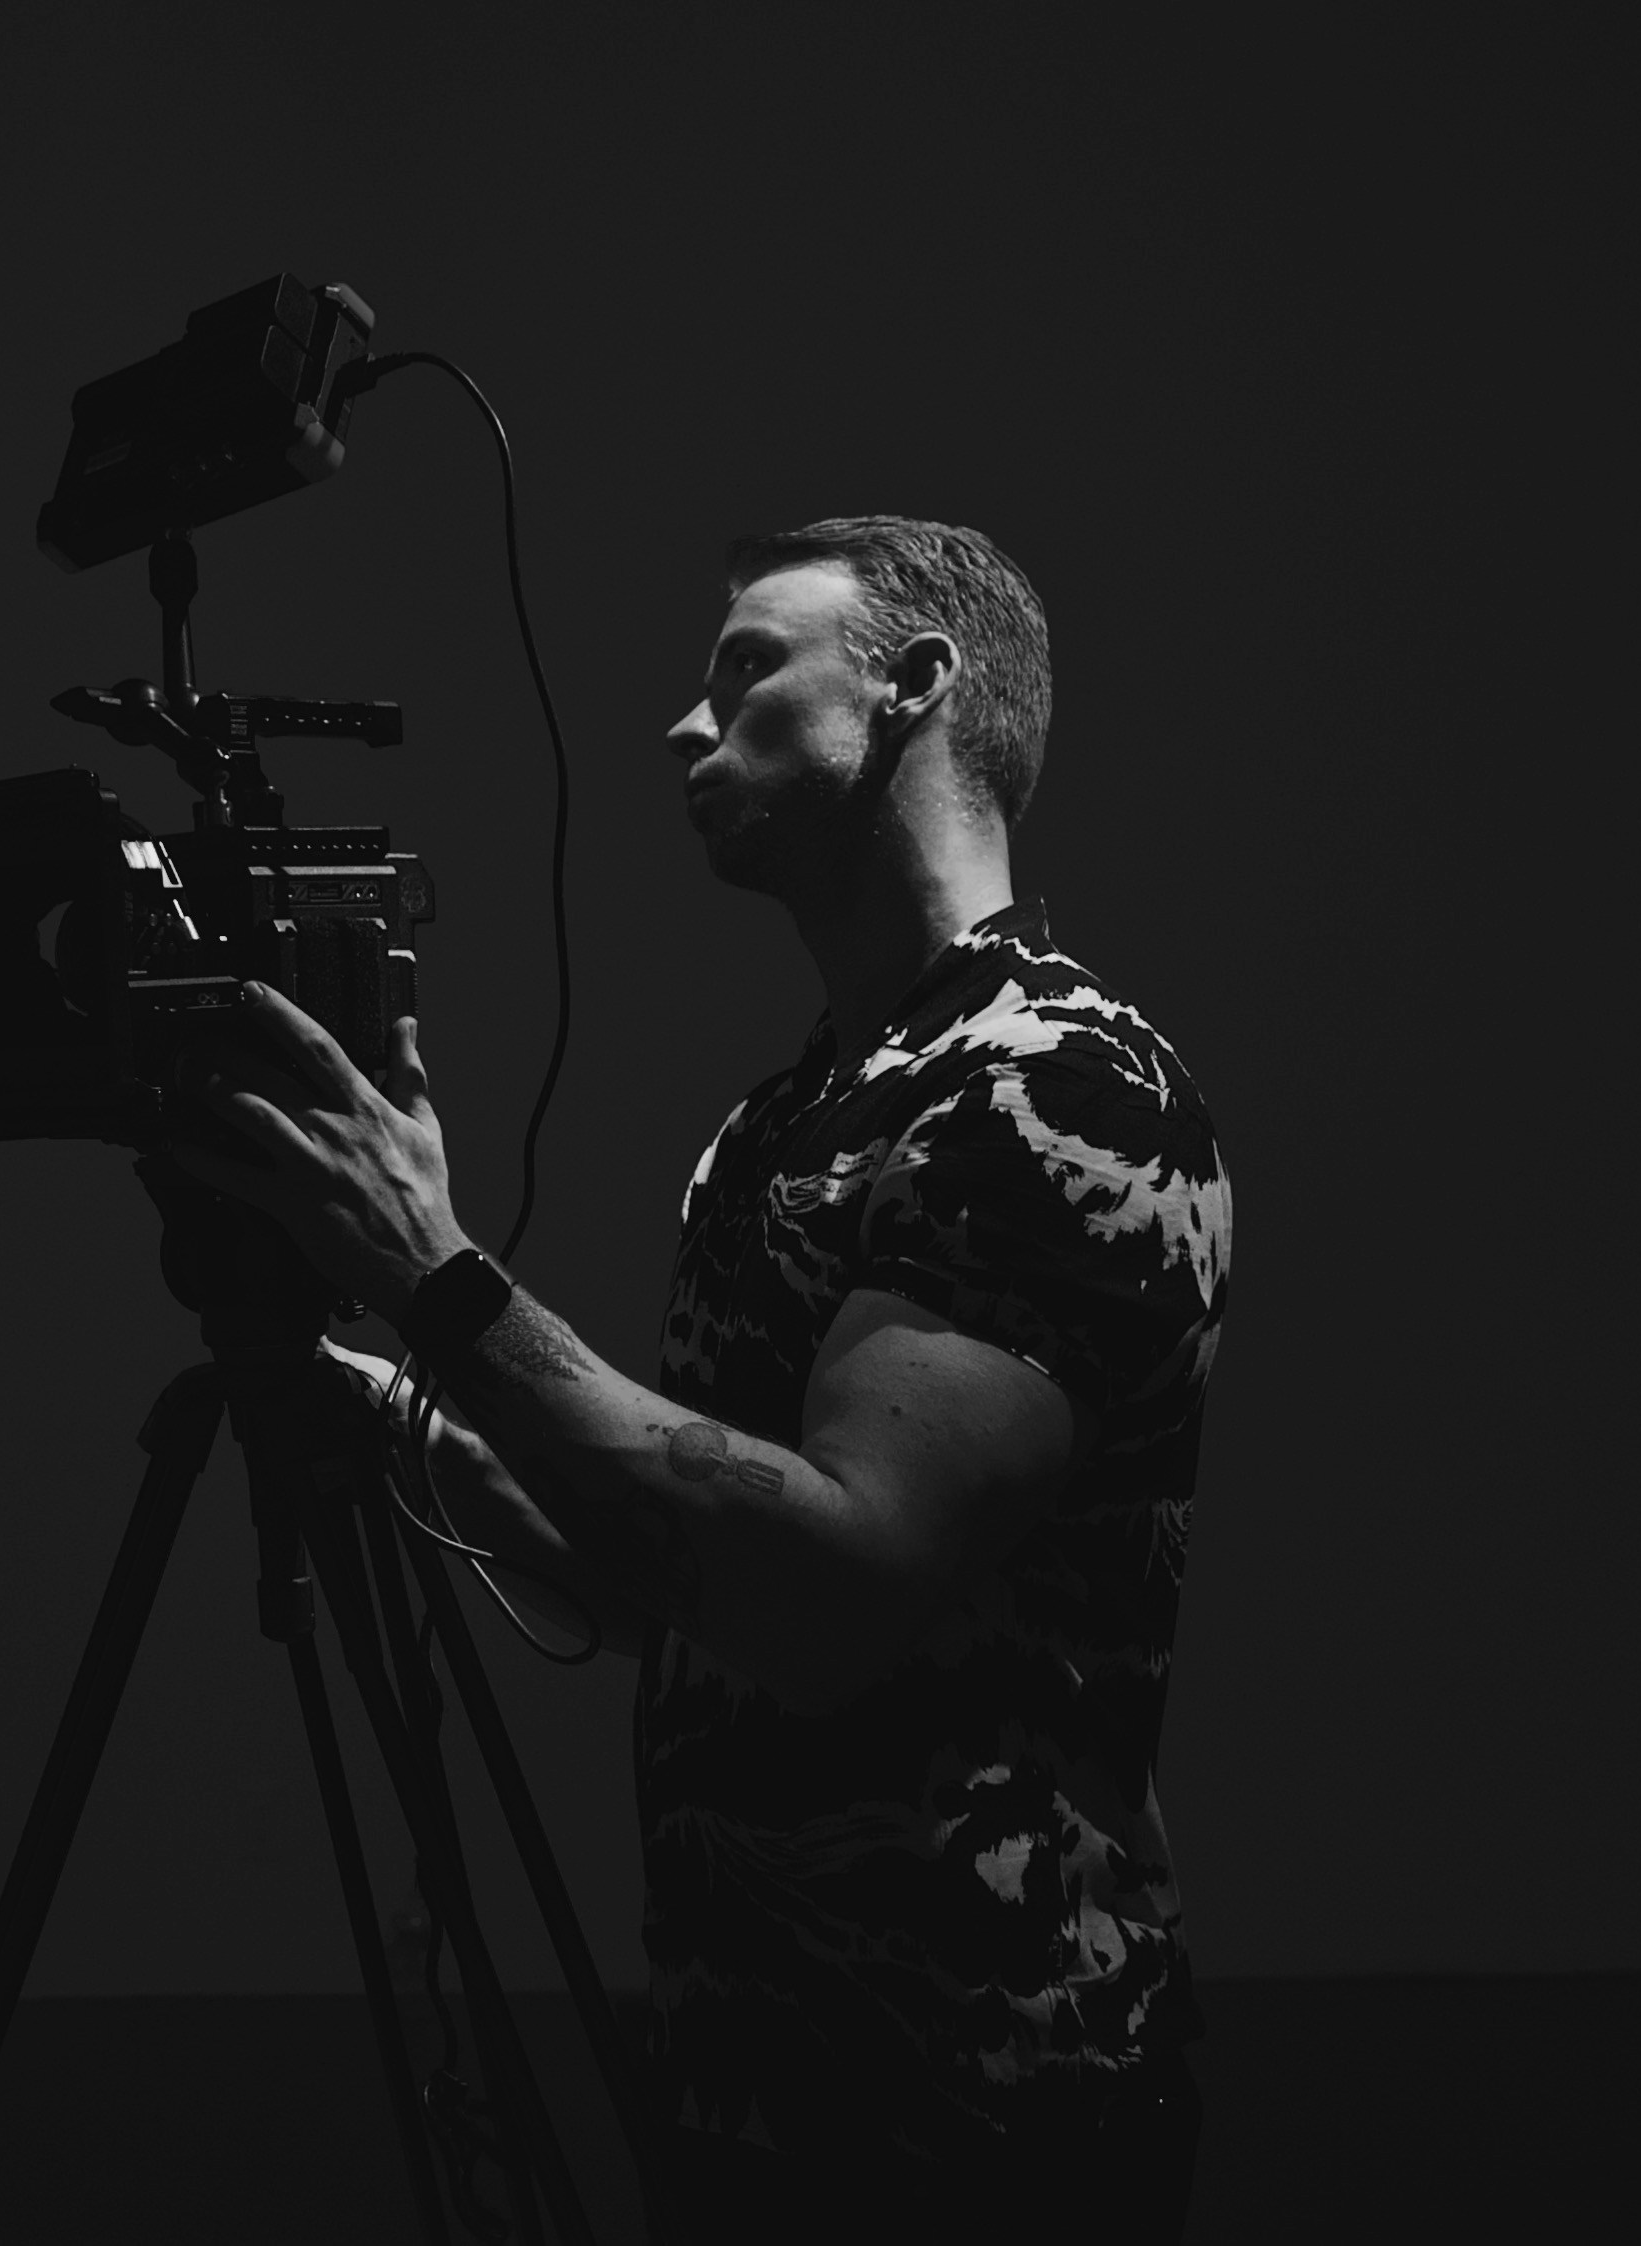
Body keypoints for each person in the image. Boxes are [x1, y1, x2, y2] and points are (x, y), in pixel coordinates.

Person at [158, 516, 1230, 2242]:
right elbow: (677, 1578)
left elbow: (838, 1586)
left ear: (914, 685)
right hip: (753, 2086)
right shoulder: (782, 1123)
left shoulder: (1060, 1089)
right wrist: (367, 1385)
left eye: (745, 668)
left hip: (987, 2103)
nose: (681, 723)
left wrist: (436, 1273)